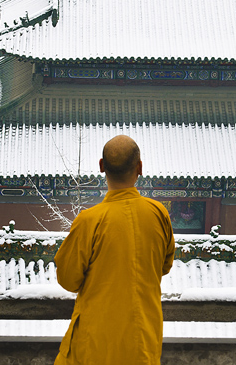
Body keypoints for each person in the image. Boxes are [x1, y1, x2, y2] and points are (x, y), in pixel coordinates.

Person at [54, 135, 175, 365]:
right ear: (139, 167)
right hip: (143, 343)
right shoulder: (158, 214)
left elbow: (68, 279)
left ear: (101, 166)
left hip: (95, 345)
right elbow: (164, 266)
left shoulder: (89, 221)